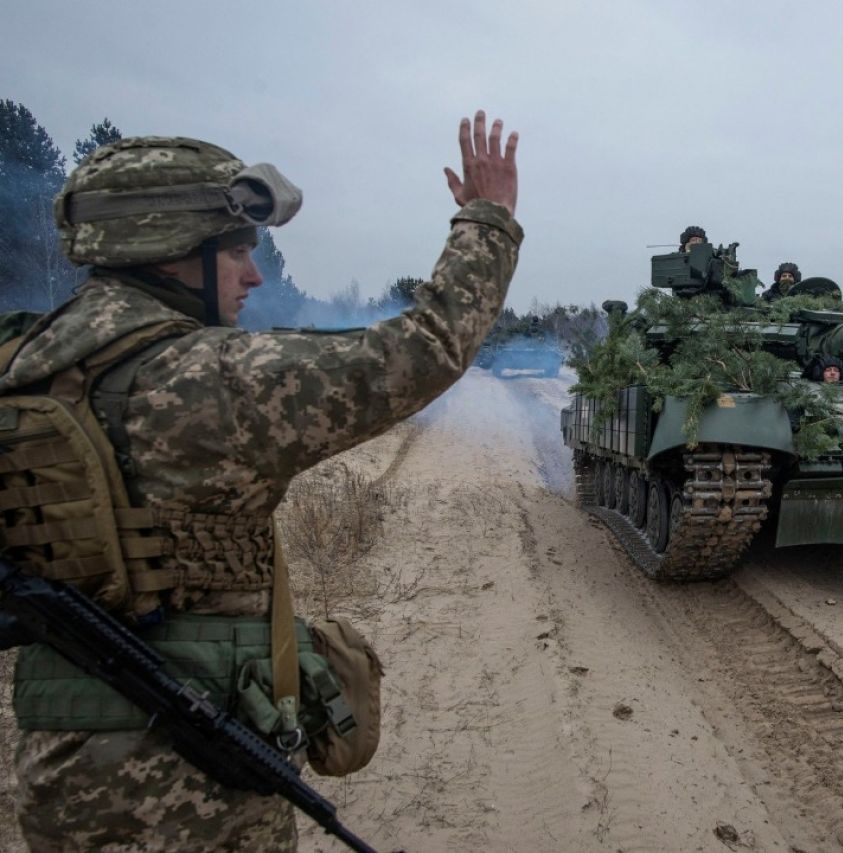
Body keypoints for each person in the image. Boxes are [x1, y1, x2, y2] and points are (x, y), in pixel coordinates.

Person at [3, 110, 521, 850]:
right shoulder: (203, 380)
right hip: (185, 783)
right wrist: (488, 222)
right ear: (171, 254)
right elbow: (423, 348)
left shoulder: (25, 366)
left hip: (60, 768)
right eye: (237, 252)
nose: (253, 275)